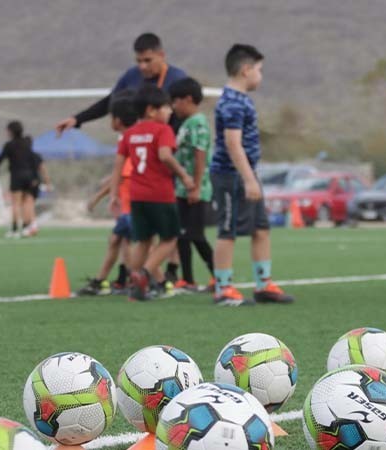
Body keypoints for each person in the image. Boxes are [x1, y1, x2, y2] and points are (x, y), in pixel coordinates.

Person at [210, 44, 295, 306]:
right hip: (229, 176)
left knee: (261, 229)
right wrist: (248, 178)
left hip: (247, 174)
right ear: (246, 70)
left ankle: (263, 284)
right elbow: (233, 144)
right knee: (228, 231)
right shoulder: (232, 102)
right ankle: (223, 288)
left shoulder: (243, 100)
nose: (261, 75)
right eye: (259, 70)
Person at [109, 86, 194, 301]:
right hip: (160, 193)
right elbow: (165, 155)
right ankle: (144, 274)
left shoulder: (129, 134)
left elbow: (118, 166)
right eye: (165, 107)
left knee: (143, 240)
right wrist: (184, 175)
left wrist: (113, 195)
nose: (170, 112)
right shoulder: (162, 130)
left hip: (137, 196)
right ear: (151, 110)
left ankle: (135, 289)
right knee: (170, 239)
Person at [56, 33, 188, 135]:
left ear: (161, 55)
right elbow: (111, 101)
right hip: (136, 143)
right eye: (139, 61)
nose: (142, 66)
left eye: (148, 60)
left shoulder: (177, 78)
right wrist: (77, 119)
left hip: (167, 146)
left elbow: (185, 116)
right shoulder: (132, 75)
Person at [78, 91, 139, 296]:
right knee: (116, 241)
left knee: (127, 243)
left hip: (131, 205)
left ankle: (136, 280)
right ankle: (103, 280)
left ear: (117, 120)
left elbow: (121, 175)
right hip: (127, 204)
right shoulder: (130, 138)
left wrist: (97, 197)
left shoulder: (131, 140)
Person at [168, 77, 215, 292]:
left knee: (195, 235)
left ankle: (219, 275)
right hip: (181, 188)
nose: (172, 106)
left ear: (188, 99)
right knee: (182, 235)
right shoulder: (186, 123)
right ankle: (187, 279)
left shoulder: (198, 122)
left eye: (175, 101)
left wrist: (195, 186)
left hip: (197, 189)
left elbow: (200, 155)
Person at [0, 121, 40, 238]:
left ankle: (14, 229)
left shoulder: (9, 145)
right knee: (27, 203)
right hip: (30, 175)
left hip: (17, 175)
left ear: (11, 131)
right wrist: (36, 177)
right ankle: (26, 227)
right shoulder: (27, 143)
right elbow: (33, 160)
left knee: (16, 203)